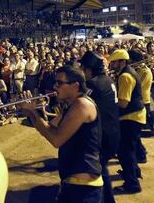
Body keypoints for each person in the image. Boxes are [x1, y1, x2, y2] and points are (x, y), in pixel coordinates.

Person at [20, 65, 103, 203]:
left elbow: (56, 139)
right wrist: (32, 112)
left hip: (83, 188)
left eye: (59, 83)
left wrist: (33, 113)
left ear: (75, 85)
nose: (55, 86)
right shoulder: (71, 105)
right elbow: (49, 128)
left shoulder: (82, 105)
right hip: (74, 182)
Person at [79, 51, 119, 203]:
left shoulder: (92, 84)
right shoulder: (107, 79)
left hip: (102, 136)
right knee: (101, 169)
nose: (81, 71)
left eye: (82, 67)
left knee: (97, 172)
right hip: (113, 132)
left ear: (88, 69)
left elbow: (80, 105)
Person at [108, 49, 145, 194]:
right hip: (135, 116)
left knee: (125, 152)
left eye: (114, 62)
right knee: (130, 149)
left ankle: (132, 184)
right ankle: (135, 173)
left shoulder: (125, 77)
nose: (112, 64)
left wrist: (109, 107)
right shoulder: (126, 73)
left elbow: (123, 103)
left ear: (122, 61)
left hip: (130, 117)